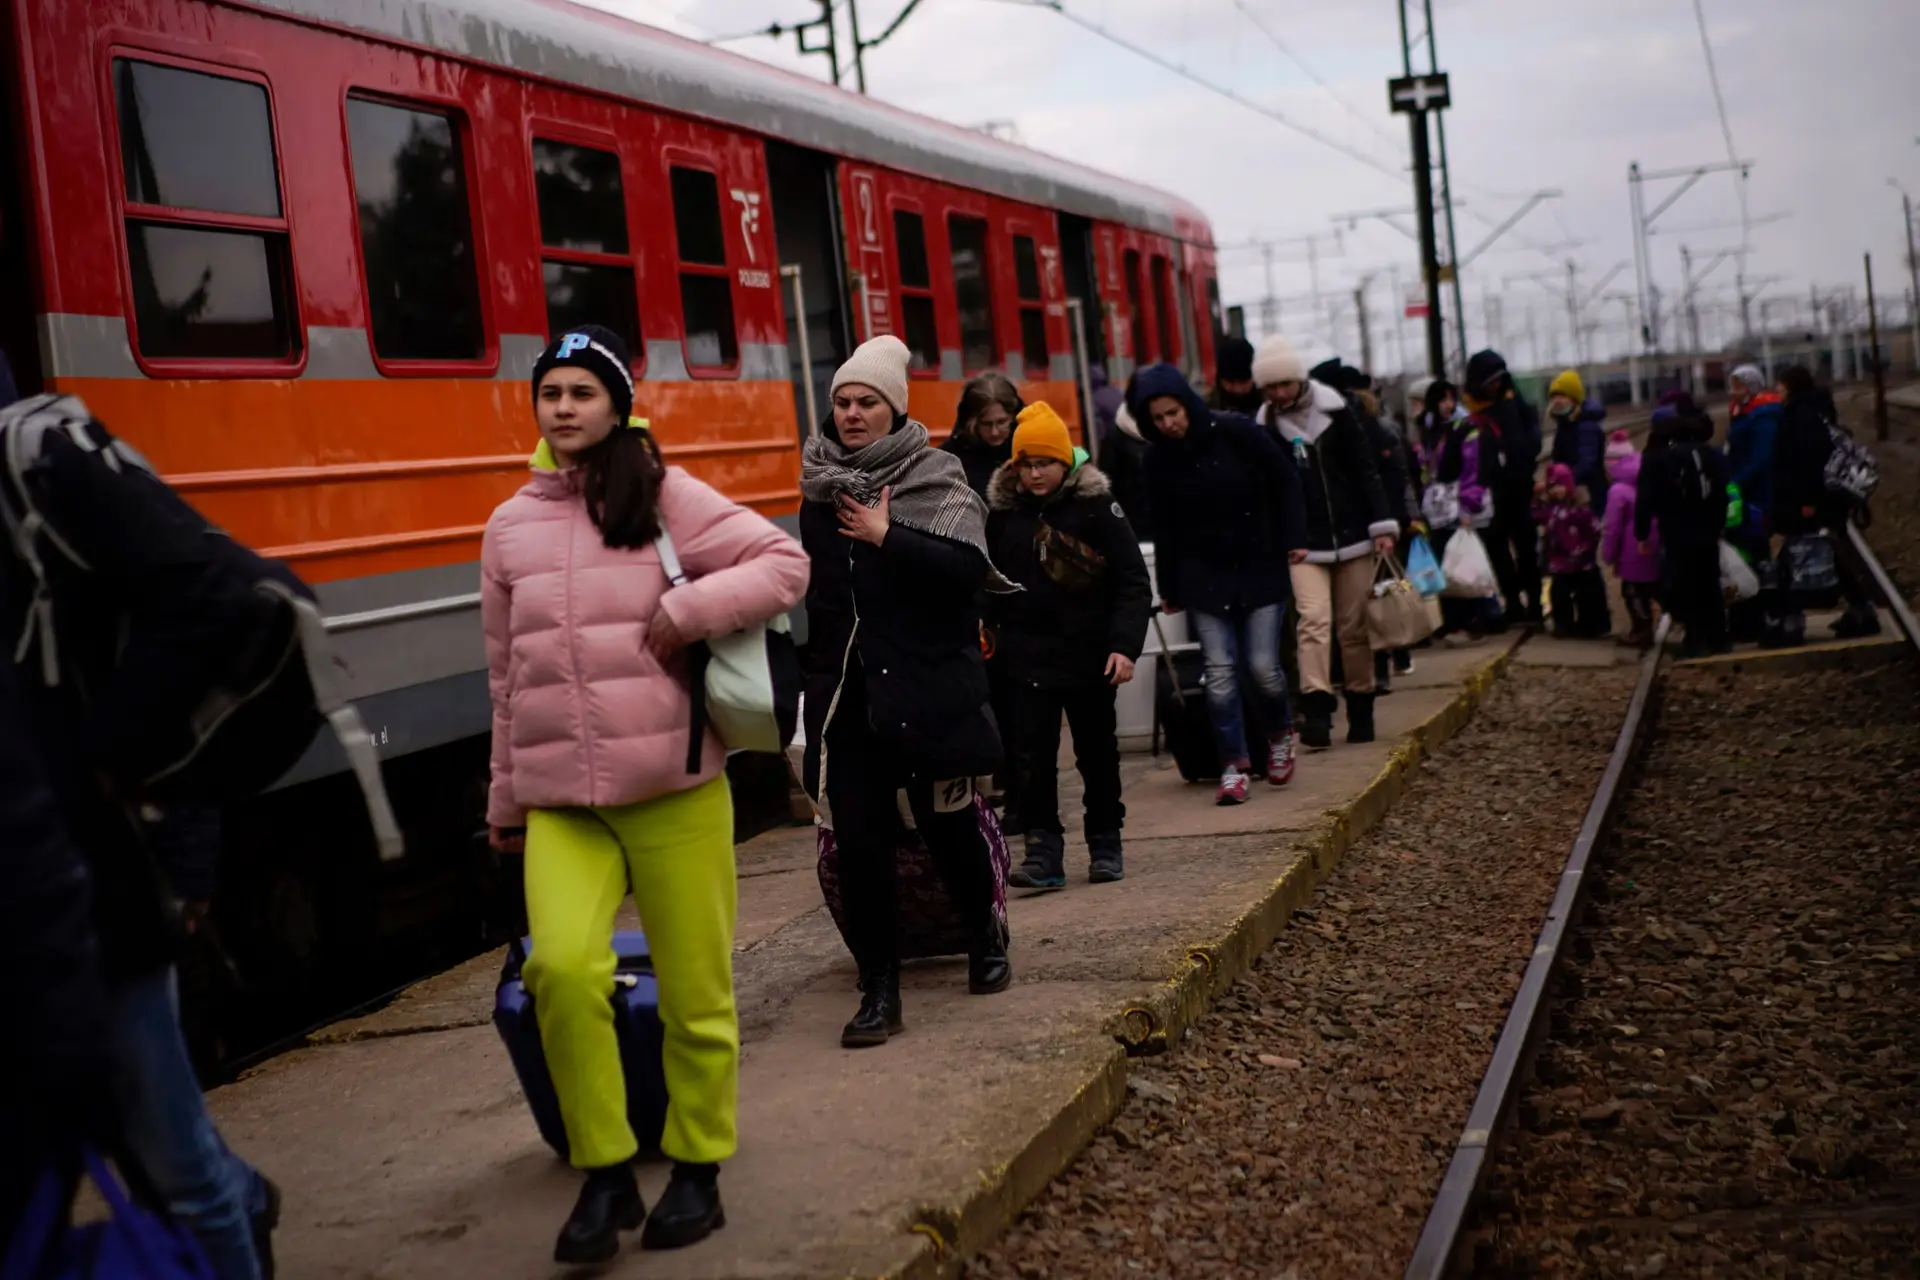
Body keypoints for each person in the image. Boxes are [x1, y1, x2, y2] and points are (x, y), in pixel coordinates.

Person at [483, 326, 810, 1262]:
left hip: (673, 786)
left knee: (697, 993)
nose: (564, 407)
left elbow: (786, 564)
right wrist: (505, 803)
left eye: (583, 392)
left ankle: (699, 1167)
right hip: (560, 806)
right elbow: (503, 678)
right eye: (552, 393)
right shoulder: (507, 527)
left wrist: (689, 609)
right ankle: (606, 1173)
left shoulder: (664, 495)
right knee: (562, 973)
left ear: (616, 405)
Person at [0, 395, 284, 1279]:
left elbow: (205, 614)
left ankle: (235, 1214)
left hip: (85, 890)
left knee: (171, 1164)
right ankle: (243, 1201)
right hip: (65, 885)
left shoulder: (50, 466)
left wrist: (102, 772)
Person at [798, 335, 1014, 1049]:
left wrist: (890, 535)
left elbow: (965, 571)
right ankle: (878, 989)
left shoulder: (937, 474)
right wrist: (811, 688)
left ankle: (983, 933)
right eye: (842, 402)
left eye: (866, 402)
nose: (852, 414)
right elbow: (826, 604)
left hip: (925, 687)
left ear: (894, 409)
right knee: (860, 842)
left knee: (947, 825)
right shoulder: (820, 487)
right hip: (854, 697)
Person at [986, 403, 1149, 887]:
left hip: (1090, 656)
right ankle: (1043, 852)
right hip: (1024, 660)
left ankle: (1105, 842)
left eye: (1045, 464)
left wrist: (1124, 646)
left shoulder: (1098, 508)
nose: (1035, 474)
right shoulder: (1002, 515)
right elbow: (984, 581)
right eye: (1025, 465)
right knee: (1031, 761)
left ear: (1066, 462)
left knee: (1097, 754)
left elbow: (1131, 582)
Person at [1131, 362, 1306, 805]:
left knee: (1264, 667)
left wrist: (1294, 538)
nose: (1169, 424)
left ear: (1186, 403)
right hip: (1204, 578)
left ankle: (1280, 732)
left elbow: (1285, 478)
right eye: (1158, 419)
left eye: (1173, 412)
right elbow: (1164, 527)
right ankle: (1234, 762)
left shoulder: (1236, 432)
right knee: (1221, 675)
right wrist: (1169, 586)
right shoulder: (1157, 461)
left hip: (1258, 566)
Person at [1255, 339, 1396, 747]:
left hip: (1353, 536)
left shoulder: (1338, 412)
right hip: (1303, 543)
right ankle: (1316, 709)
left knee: (1353, 628)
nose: (1279, 393)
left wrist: (1382, 526)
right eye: (1271, 386)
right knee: (1313, 622)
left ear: (1299, 379)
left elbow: (1366, 469)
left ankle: (1361, 705)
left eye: (1285, 383)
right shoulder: (1265, 426)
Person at [1769, 366, 1881, 641]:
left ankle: (1791, 622)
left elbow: (1809, 462)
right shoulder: (1815, 411)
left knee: (1795, 556)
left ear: (1792, 387)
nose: (1777, 391)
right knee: (1832, 553)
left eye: (1780, 386)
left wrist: (1807, 502)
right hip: (1824, 500)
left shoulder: (1800, 417)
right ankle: (1861, 611)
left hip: (1809, 502)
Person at [1635, 393, 1729, 658]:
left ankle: (1694, 639)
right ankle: (1719, 638)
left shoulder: (1656, 456)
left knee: (1684, 583)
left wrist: (1642, 532)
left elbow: (1645, 498)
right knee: (1710, 581)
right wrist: (1719, 523)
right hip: (1708, 529)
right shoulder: (1707, 452)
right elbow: (1722, 490)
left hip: (1676, 530)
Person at [1462, 349, 1544, 628]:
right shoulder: (1474, 410)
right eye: (1490, 381)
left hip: (1518, 489)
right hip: (1490, 493)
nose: (1495, 386)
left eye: (1499, 379)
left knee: (1526, 549)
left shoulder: (1512, 403)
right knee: (1497, 551)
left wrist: (1520, 461)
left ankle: (1533, 604)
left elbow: (1528, 441)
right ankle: (1512, 603)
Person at [1423, 402, 1500, 642]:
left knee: (1463, 567)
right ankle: (1466, 620)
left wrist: (1467, 506)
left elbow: (1473, 470)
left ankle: (1477, 619)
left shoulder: (1467, 433)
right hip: (1443, 512)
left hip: (1457, 510)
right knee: (1457, 567)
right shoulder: (1439, 433)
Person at [1600, 430, 1660, 647]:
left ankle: (1642, 631)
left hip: (1632, 549)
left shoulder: (1617, 490)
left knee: (1632, 592)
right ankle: (1644, 629)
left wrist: (1608, 554)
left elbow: (1612, 528)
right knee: (1654, 588)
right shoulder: (1647, 477)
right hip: (1654, 543)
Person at [1536, 462, 1609, 638]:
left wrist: (1584, 549)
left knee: (1587, 595)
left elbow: (1593, 531)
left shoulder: (1581, 510)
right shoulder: (1551, 508)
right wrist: (1536, 497)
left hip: (1582, 561)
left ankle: (1590, 625)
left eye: (1559, 486)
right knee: (1559, 594)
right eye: (1552, 487)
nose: (1555, 491)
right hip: (1559, 561)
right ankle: (1563, 625)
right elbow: (1536, 515)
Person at [943, 372, 1020, 498]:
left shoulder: (1031, 450)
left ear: (1014, 417)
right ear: (971, 423)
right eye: (986, 424)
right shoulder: (948, 459)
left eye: (1001, 422)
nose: (994, 432)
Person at [1547, 369, 1608, 515]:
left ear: (1574, 400)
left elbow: (1587, 463)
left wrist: (1566, 482)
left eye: (1562, 396)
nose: (1557, 401)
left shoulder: (1586, 426)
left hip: (1589, 497)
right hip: (1573, 493)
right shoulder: (1565, 424)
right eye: (1554, 396)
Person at [1207, 336, 1262, 415]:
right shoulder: (1207, 411)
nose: (1237, 389)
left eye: (1243, 381)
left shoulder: (1268, 409)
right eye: (1230, 382)